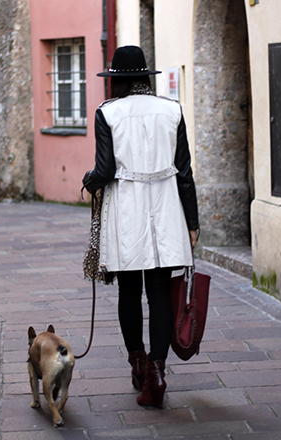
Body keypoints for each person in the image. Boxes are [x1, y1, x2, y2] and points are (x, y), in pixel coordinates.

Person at [82, 46, 199, 408]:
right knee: (161, 293)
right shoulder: (172, 110)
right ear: (146, 78)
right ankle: (158, 372)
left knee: (130, 292)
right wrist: (192, 222)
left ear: (117, 80)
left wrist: (88, 180)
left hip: (127, 209)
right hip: (166, 206)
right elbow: (185, 173)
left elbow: (103, 171)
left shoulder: (108, 113)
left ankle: (138, 363)